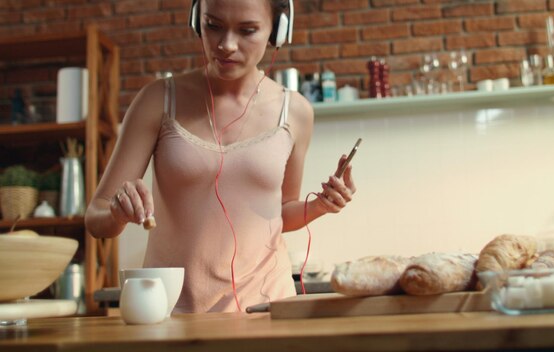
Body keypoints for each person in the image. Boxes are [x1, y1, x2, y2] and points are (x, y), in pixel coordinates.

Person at [85, 0, 357, 313]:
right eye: (213, 25)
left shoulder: (295, 112)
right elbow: (96, 218)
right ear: (195, 20)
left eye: (247, 30)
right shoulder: (158, 99)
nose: (226, 45)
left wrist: (322, 204)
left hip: (267, 308)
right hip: (174, 310)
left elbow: (280, 215)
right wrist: (118, 214)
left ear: (278, 31)